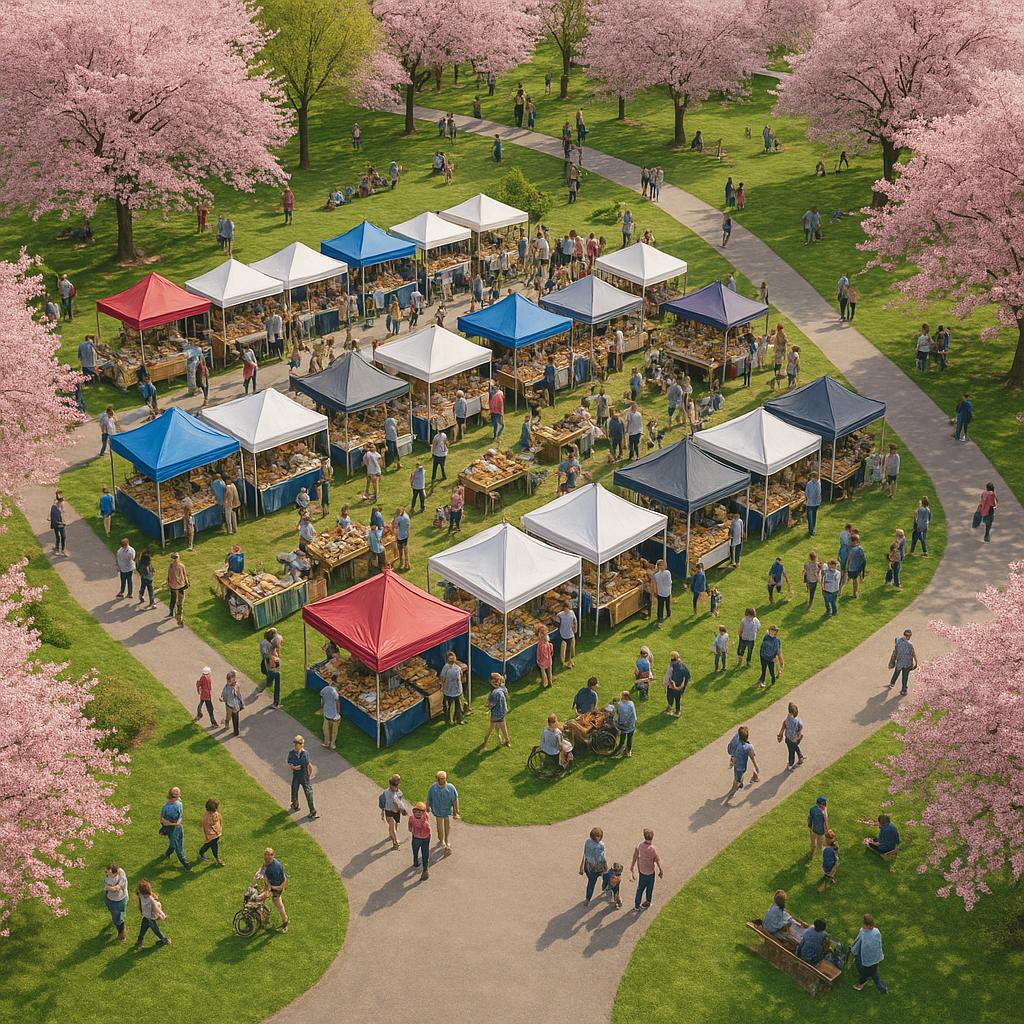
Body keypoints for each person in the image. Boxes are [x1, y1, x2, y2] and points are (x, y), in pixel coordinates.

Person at [255, 848, 289, 932]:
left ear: (273, 856)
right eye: (265, 854)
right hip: (271, 886)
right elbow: (264, 867)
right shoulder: (270, 862)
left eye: (269, 855)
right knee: (260, 900)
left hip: (275, 889)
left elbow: (279, 884)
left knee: (279, 905)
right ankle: (265, 917)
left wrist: (269, 888)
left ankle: (285, 924)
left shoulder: (274, 868)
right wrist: (260, 873)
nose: (266, 856)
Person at [851, 914, 887, 992]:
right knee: (873, 972)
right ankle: (881, 988)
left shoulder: (863, 932)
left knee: (864, 971)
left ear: (866, 924)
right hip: (875, 956)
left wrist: (853, 950)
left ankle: (861, 984)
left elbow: (858, 942)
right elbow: (878, 944)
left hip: (865, 957)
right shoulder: (877, 931)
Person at [630, 829, 663, 910]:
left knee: (640, 889)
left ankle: (637, 906)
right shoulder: (653, 849)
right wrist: (661, 870)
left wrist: (632, 866)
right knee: (650, 888)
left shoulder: (639, 846)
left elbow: (635, 856)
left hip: (642, 872)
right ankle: (648, 902)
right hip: (651, 873)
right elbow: (657, 860)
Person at [288, 735, 318, 819]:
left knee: (308, 793)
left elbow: (309, 765)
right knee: (294, 789)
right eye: (295, 743)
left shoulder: (305, 753)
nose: (296, 745)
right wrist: (294, 767)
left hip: (304, 776)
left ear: (301, 744)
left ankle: (313, 811)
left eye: (298, 744)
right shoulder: (291, 753)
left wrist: (309, 775)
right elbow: (290, 764)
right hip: (296, 775)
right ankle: (295, 804)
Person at [133, 880, 170, 948]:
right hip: (146, 917)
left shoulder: (151, 900)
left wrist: (161, 914)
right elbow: (137, 892)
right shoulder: (141, 895)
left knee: (156, 930)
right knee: (143, 928)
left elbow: (156, 909)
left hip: (151, 918)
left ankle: (165, 940)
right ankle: (139, 940)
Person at [160, 786, 189, 868]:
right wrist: (173, 824)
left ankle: (167, 853)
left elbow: (180, 815)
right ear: (171, 796)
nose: (178, 797)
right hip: (171, 829)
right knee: (177, 846)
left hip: (178, 827)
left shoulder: (179, 803)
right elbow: (162, 821)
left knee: (178, 843)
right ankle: (185, 864)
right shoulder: (166, 807)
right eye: (176, 796)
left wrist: (179, 822)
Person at [480, 673, 511, 750]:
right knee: (501, 728)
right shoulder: (501, 688)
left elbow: (491, 704)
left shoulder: (495, 692)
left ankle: (485, 743)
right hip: (500, 712)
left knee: (492, 729)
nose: (496, 683)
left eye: (497, 681)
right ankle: (506, 741)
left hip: (497, 714)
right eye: (494, 682)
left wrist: (487, 706)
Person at [726, 725, 759, 797]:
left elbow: (730, 749)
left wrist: (731, 761)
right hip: (740, 766)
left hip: (736, 762)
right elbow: (752, 757)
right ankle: (732, 792)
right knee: (737, 779)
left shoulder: (736, 738)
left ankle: (741, 783)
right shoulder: (748, 747)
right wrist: (756, 767)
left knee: (738, 776)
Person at [580, 827, 607, 904]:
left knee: (590, 883)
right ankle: (605, 887)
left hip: (588, 866)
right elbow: (602, 857)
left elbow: (585, 853)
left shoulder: (587, 841)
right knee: (605, 876)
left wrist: (581, 866)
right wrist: (604, 866)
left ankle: (587, 899)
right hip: (598, 866)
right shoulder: (601, 845)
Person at [104, 862, 129, 941]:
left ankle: (122, 934)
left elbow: (117, 888)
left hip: (118, 900)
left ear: (115, 873)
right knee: (116, 913)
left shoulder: (120, 877)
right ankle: (119, 918)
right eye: (106, 871)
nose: (107, 873)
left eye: (109, 872)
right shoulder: (117, 872)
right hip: (111, 899)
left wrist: (107, 887)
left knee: (118, 919)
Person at [888, 628, 917, 695]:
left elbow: (896, 643)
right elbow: (913, 654)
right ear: (909, 636)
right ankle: (903, 690)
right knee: (905, 677)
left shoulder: (898, 640)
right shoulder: (910, 644)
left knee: (896, 673)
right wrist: (915, 662)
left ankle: (892, 683)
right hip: (907, 663)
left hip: (899, 661)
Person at [439, 651, 465, 724]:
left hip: (457, 689)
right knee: (449, 706)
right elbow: (442, 678)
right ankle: (450, 720)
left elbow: (461, 676)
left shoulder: (458, 668)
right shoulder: (446, 667)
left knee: (458, 705)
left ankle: (459, 719)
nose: (452, 661)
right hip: (448, 690)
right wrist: (442, 686)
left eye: (453, 659)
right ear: (447, 660)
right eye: (450, 660)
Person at [778, 702, 804, 770]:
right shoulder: (794, 720)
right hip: (793, 739)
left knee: (793, 749)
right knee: (792, 750)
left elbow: (784, 724)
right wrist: (799, 735)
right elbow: (800, 727)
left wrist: (780, 734)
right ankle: (794, 761)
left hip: (790, 738)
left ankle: (796, 760)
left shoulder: (788, 717)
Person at [197, 798, 224, 866]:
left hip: (216, 834)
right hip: (211, 836)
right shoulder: (207, 818)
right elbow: (204, 827)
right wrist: (207, 837)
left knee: (210, 845)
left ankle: (202, 854)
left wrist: (219, 831)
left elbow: (219, 820)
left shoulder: (215, 813)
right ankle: (216, 859)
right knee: (212, 846)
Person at [662, 652, 690, 716]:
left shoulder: (671, 666)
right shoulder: (682, 665)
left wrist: (665, 683)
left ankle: (669, 709)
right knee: (677, 699)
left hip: (671, 685)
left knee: (670, 696)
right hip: (679, 686)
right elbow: (687, 676)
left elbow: (667, 676)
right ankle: (677, 711)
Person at [166, 552, 188, 626]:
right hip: (181, 586)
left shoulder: (170, 566)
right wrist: (187, 583)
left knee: (173, 600)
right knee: (180, 602)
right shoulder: (181, 566)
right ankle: (179, 617)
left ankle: (171, 612)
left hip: (173, 586)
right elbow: (185, 575)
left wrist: (168, 584)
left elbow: (168, 576)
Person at [614, 690, 636, 757]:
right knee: (630, 738)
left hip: (623, 724)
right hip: (631, 724)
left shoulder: (620, 705)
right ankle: (628, 751)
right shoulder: (631, 703)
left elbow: (618, 713)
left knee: (622, 738)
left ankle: (620, 749)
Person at [221, 670, 243, 736]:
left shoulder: (237, 685)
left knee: (236, 718)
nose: (232, 681)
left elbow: (239, 694)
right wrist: (222, 699)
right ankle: (226, 722)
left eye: (233, 679)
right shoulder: (227, 687)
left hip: (236, 706)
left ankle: (236, 731)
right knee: (228, 717)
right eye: (230, 680)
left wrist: (241, 703)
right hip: (229, 706)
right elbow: (224, 695)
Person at [847, 531, 867, 599]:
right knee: (855, 580)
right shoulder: (860, 549)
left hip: (852, 568)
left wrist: (848, 566)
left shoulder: (852, 549)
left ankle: (855, 593)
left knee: (854, 580)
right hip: (857, 567)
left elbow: (849, 559)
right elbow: (863, 558)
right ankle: (855, 592)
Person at [557, 602, 577, 668]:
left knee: (569, 649)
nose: (567, 610)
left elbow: (575, 621)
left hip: (570, 634)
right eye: (566, 609)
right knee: (564, 649)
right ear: (564, 608)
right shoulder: (560, 614)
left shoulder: (572, 613)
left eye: (568, 609)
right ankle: (565, 662)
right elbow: (557, 620)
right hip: (563, 634)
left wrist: (575, 629)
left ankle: (569, 662)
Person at [392, 506, 411, 571]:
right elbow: (408, 526)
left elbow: (395, 526)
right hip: (406, 535)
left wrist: (394, 519)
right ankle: (407, 564)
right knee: (406, 550)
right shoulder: (407, 516)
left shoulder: (398, 518)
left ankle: (401, 563)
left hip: (400, 536)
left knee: (400, 551)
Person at [804, 472, 821, 536]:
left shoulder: (818, 484)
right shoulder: (809, 483)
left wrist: (818, 502)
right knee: (809, 518)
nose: (815, 480)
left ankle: (812, 530)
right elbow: (806, 492)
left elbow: (819, 493)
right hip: (809, 504)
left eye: (816, 479)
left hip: (816, 504)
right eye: (814, 478)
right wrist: (808, 499)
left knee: (814, 517)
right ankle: (810, 531)